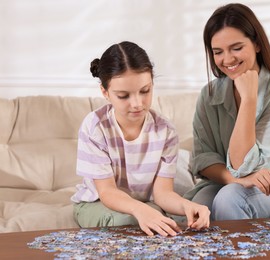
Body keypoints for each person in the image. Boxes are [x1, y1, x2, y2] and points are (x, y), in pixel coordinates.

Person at [184, 3, 270, 220]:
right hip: (225, 181)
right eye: (218, 52)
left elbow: (243, 164)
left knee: (230, 199)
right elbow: (203, 159)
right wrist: (237, 180)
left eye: (236, 48)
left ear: (257, 44)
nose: (228, 59)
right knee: (198, 204)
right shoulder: (209, 94)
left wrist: (249, 99)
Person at [71, 41, 210, 236]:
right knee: (130, 221)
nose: (137, 103)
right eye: (123, 95)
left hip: (145, 205)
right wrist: (142, 210)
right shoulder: (95, 128)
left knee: (173, 221)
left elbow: (163, 193)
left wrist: (188, 206)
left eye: (145, 91)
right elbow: (107, 192)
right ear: (105, 92)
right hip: (97, 203)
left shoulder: (166, 131)